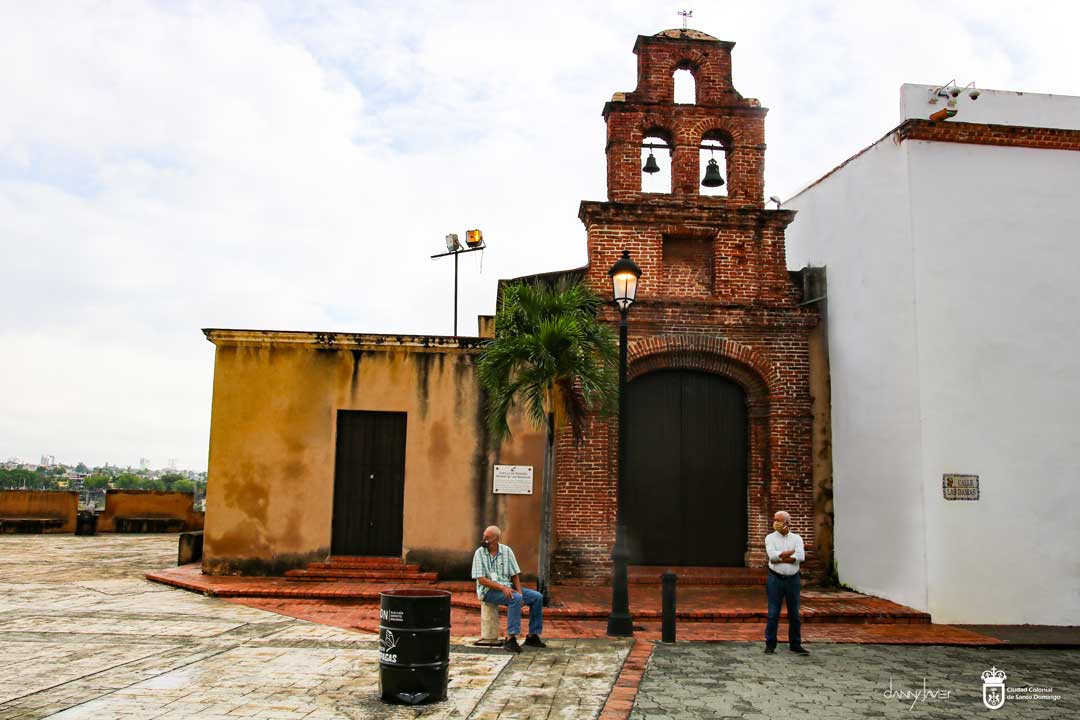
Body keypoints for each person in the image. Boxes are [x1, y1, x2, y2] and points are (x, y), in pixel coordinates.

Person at [471, 525, 546, 653]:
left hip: (508, 587)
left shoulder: (507, 551)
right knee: (514, 598)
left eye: (487, 537)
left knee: (537, 597)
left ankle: (533, 636)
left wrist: (521, 593)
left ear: (496, 539)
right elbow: (481, 579)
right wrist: (502, 588)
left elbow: (514, 574)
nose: (484, 539)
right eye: (484, 536)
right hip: (488, 590)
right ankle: (511, 639)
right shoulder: (479, 553)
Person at [764, 510, 810, 655]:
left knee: (794, 614)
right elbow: (772, 557)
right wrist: (791, 553)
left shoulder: (797, 538)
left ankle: (795, 644)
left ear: (787, 523)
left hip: (793, 579)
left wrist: (781, 556)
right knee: (773, 613)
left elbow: (801, 556)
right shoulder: (770, 538)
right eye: (774, 519)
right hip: (775, 578)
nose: (775, 523)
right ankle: (770, 643)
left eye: (778, 520)